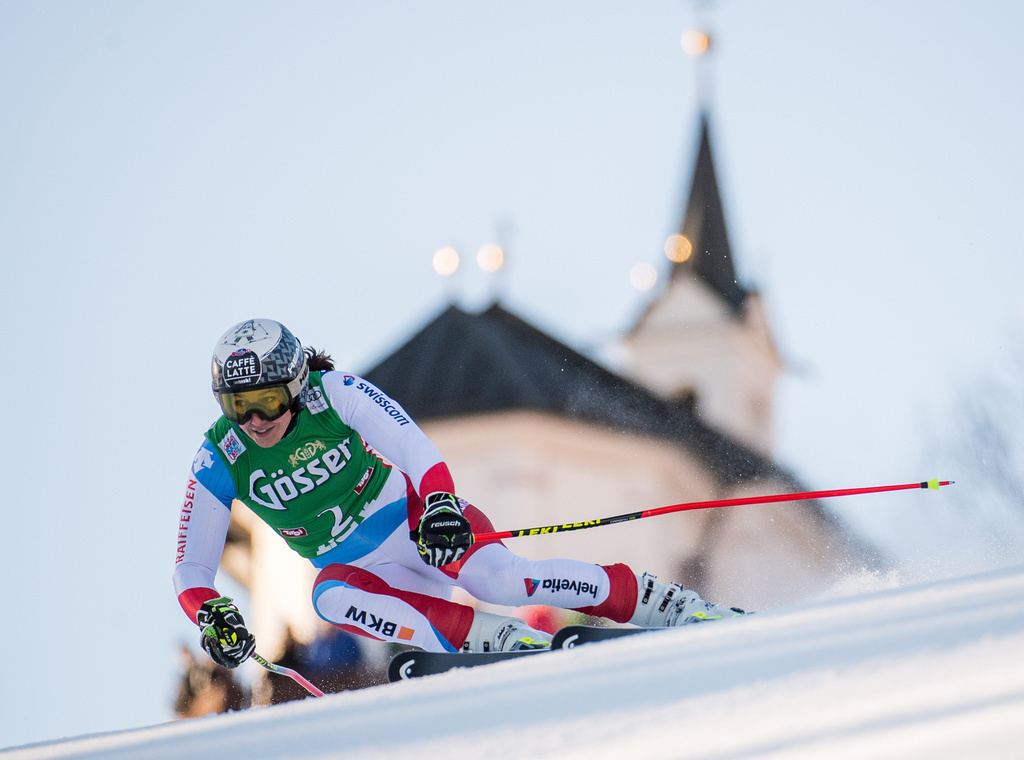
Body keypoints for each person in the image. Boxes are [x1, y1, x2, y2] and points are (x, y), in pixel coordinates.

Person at [174, 318, 744, 670]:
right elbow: (191, 566)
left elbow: (414, 447)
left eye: (267, 400)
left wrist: (441, 505)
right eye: (236, 404)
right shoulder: (221, 454)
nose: (253, 419)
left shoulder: (334, 396)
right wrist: (211, 616)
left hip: (416, 525)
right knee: (326, 597)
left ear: (294, 386)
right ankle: (494, 641)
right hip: (361, 573)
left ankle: (665, 603)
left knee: (500, 580)